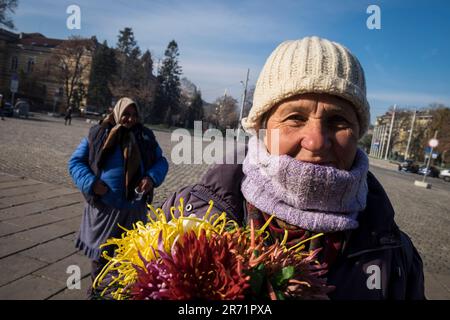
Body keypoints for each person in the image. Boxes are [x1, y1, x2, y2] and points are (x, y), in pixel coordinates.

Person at [161, 37, 425, 299]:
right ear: (261, 128)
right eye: (295, 118)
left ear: (358, 132)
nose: (317, 141)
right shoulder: (185, 220)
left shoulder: (395, 257)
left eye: (338, 120)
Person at [68, 97, 169, 298]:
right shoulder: (98, 134)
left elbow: (161, 162)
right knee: (101, 256)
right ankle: (96, 291)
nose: (130, 119)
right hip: (105, 209)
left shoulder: (145, 137)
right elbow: (75, 162)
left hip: (134, 210)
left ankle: (123, 293)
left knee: (130, 258)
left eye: (134, 115)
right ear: (116, 113)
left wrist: (151, 177)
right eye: (126, 114)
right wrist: (91, 183)